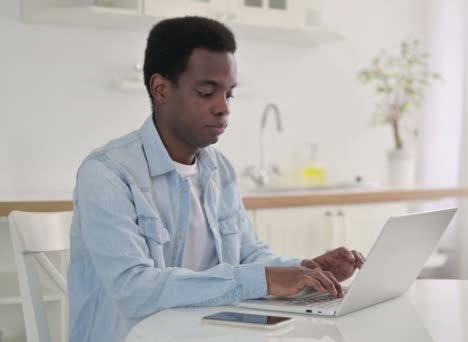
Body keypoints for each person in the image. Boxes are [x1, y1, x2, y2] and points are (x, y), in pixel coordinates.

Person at [67, 16, 365, 342]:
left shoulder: (218, 170)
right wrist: (263, 279)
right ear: (161, 88)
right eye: (207, 92)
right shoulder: (107, 174)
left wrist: (306, 271)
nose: (223, 108)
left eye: (229, 93)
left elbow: (249, 255)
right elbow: (134, 289)